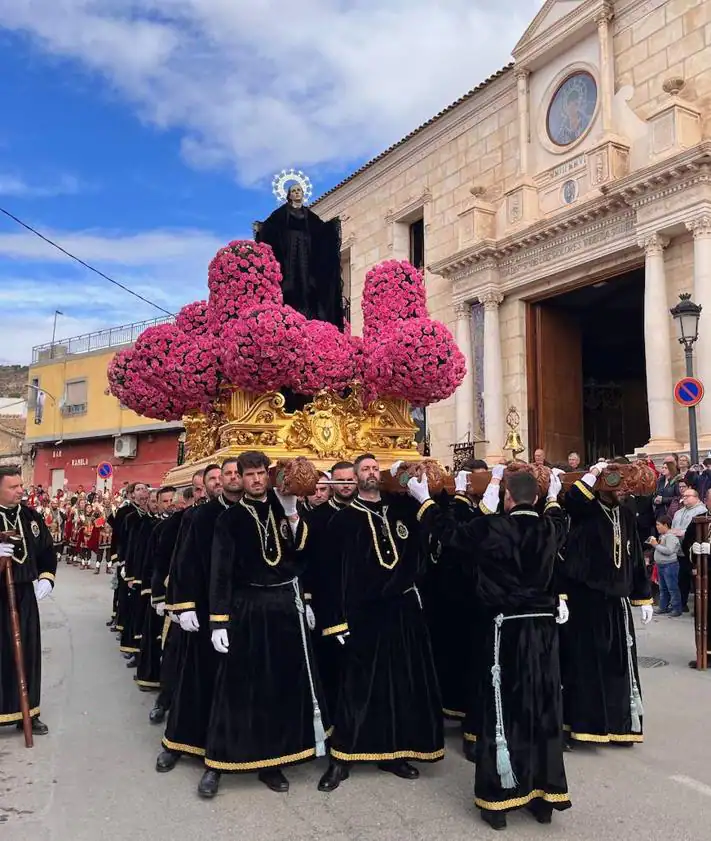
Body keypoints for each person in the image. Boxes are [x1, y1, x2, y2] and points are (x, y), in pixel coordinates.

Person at [412, 465, 571, 829]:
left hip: (505, 632)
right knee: (542, 707)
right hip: (543, 633)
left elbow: (449, 534)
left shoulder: (491, 528)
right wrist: (554, 493)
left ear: (507, 498)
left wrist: (424, 500)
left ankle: (498, 800)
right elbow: (558, 513)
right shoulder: (551, 528)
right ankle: (542, 797)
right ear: (536, 496)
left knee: (500, 710)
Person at [202, 451, 326, 798]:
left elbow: (301, 554)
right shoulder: (229, 520)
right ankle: (217, 763)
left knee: (278, 686)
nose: (257, 480)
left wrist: (290, 513)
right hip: (247, 608)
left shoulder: (282, 506)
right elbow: (220, 573)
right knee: (235, 687)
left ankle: (272, 762)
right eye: (250, 474)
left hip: (284, 606)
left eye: (261, 473)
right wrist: (219, 622)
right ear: (239, 478)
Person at [317, 454, 443, 793]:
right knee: (357, 686)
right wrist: (336, 622)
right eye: (365, 470)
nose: (371, 473)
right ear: (356, 478)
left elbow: (433, 528)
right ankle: (342, 758)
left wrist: (418, 488)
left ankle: (394, 753)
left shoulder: (400, 510)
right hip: (364, 614)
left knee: (400, 682)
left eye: (375, 468)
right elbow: (331, 577)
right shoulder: (343, 521)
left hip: (402, 610)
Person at [156, 462, 239, 781]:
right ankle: (177, 743)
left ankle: (231, 751)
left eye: (229, 475)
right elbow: (183, 563)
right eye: (217, 478)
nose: (223, 481)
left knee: (232, 684)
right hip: (202, 611)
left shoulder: (250, 513)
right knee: (194, 680)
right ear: (206, 485)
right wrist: (183, 605)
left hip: (239, 611)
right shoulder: (197, 516)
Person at [560, 461, 653, 746]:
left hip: (617, 603)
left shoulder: (625, 512)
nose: (623, 490)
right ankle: (581, 727)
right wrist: (594, 473)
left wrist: (643, 596)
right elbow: (573, 499)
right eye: (617, 483)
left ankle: (620, 725)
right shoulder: (585, 509)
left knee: (618, 668)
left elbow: (635, 555)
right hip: (585, 602)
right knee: (584, 667)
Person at [0, 465, 56, 736]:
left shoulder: (32, 517)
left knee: (29, 652)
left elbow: (47, 550)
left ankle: (29, 712)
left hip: (25, 594)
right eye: (13, 486)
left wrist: (47, 577)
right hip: (0, 595)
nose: (21, 490)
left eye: (21, 485)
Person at [255, 183, 344, 328]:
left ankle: (308, 308)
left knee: (308, 282)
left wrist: (333, 226)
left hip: (306, 252)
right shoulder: (281, 213)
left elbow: (321, 231)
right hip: (289, 253)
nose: (297, 193)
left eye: (299, 191)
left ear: (303, 193)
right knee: (291, 282)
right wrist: (260, 228)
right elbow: (269, 228)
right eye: (294, 191)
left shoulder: (309, 215)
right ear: (289, 195)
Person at [670, 486, 708, 612]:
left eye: (688, 496)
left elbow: (697, 530)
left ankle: (699, 608)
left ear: (696, 498)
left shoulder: (701, 512)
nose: (684, 498)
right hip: (679, 550)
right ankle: (681, 604)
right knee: (681, 579)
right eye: (683, 496)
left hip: (694, 551)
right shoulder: (678, 512)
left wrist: (682, 532)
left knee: (696, 580)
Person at [648, 515, 682, 616]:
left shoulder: (671, 537)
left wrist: (656, 545)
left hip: (670, 565)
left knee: (672, 588)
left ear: (665, 525)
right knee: (662, 588)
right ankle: (663, 607)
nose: (657, 527)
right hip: (661, 565)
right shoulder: (662, 536)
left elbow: (669, 551)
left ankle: (676, 608)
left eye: (658, 525)